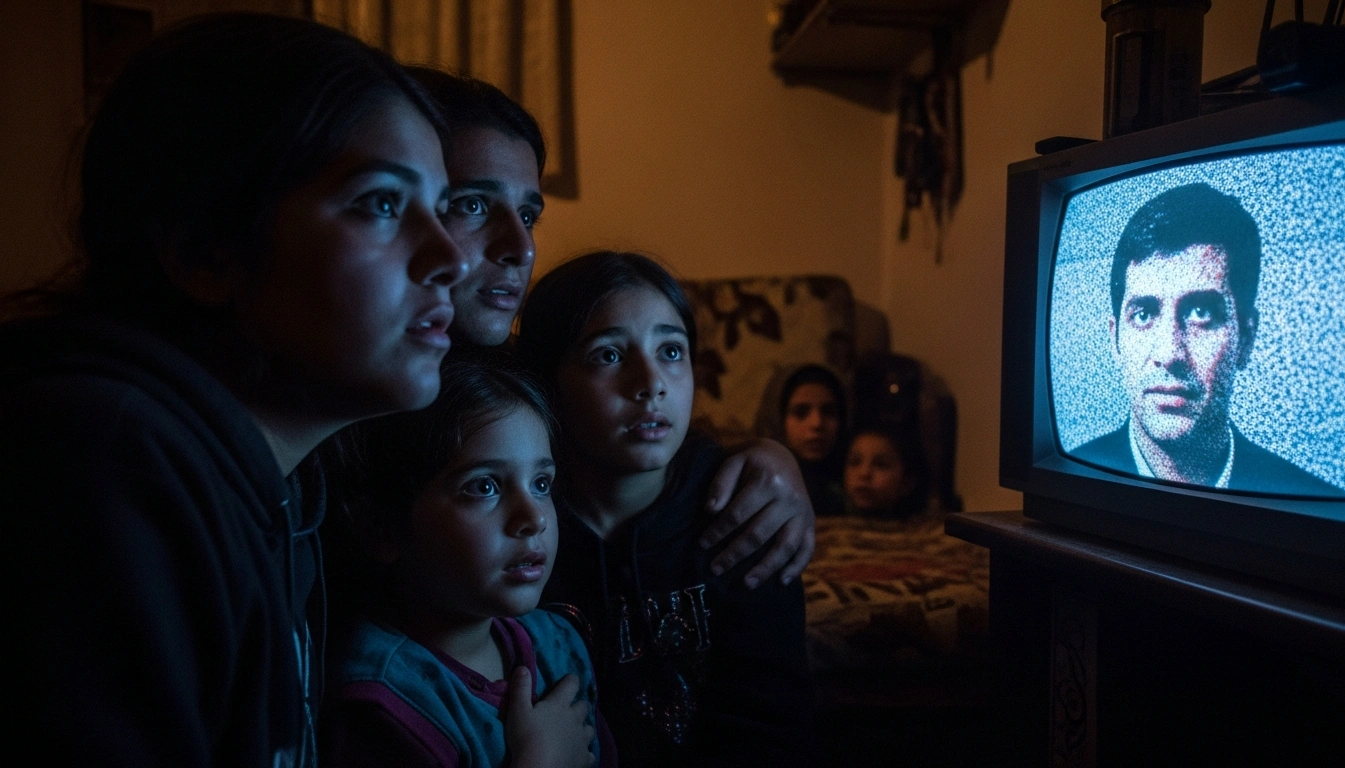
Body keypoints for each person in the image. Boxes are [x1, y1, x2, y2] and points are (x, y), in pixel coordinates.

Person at [2, 14, 467, 764]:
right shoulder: (102, 462)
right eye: (381, 203)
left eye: (442, 210)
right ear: (204, 253)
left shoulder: (284, 491)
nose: (450, 256)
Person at [405, 66, 818, 588]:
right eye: (473, 204)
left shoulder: (514, 386)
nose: (522, 247)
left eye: (529, 216)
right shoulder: (353, 399)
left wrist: (772, 460)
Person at [516, 251, 816, 766]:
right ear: (548, 382)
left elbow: (770, 729)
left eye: (671, 351)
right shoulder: (519, 524)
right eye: (608, 355)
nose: (650, 382)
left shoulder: (744, 512)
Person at [323, 356, 611, 768]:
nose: (534, 518)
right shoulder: (382, 705)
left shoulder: (558, 644)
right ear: (381, 529)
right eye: (485, 486)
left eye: (541, 484)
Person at [1071, 182, 1345, 496]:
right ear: (1115, 340)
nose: (1170, 352)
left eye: (1201, 312)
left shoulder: (1309, 502)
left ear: (1245, 338)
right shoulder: (1070, 475)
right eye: (1144, 315)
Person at [774, 364, 848, 517]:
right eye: (801, 412)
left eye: (829, 412)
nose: (817, 423)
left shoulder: (861, 486)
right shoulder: (762, 488)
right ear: (780, 422)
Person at [843, 428, 928, 519]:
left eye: (881, 465)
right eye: (854, 462)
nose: (864, 473)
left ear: (907, 482)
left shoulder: (929, 530)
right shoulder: (830, 526)